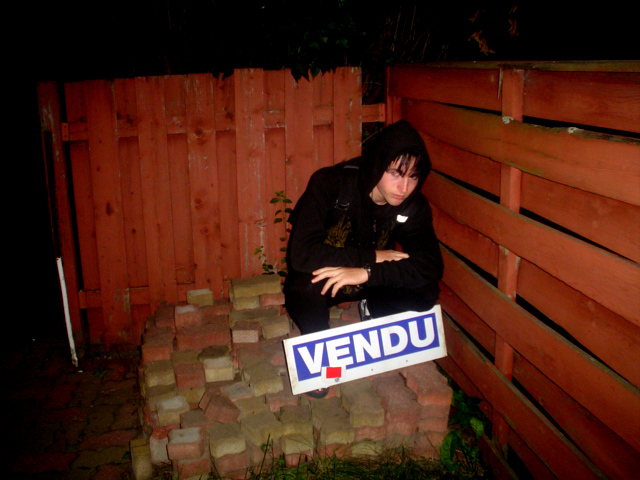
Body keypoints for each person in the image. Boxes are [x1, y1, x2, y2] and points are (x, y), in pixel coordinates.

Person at [283, 119, 443, 339]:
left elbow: (430, 264)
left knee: (426, 291)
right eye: (395, 173)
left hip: (371, 281)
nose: (404, 188)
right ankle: (321, 344)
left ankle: (374, 309)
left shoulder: (413, 205)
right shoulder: (330, 184)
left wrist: (368, 272)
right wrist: (372, 257)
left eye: (413, 176)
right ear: (378, 164)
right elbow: (301, 254)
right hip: (330, 278)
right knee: (302, 289)